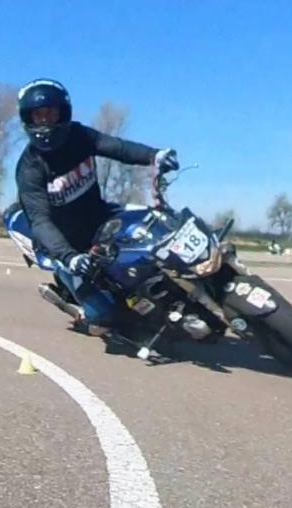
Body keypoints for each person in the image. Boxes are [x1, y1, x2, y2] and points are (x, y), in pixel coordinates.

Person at [13, 78, 179, 331]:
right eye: (39, 115)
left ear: (63, 113)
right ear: (29, 119)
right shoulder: (30, 168)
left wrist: (153, 156)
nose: (45, 121)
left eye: (51, 113)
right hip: (64, 243)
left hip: (99, 217)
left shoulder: (80, 136)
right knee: (105, 317)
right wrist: (69, 257)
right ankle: (82, 311)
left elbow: (118, 148)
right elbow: (40, 220)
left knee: (153, 240)